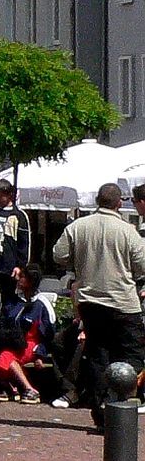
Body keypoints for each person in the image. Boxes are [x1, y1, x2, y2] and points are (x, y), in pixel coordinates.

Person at [52, 181, 145, 431]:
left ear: (97, 201)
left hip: (91, 300)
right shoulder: (128, 231)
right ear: (119, 203)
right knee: (132, 354)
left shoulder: (77, 227)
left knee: (97, 355)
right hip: (123, 302)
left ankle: (101, 406)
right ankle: (123, 402)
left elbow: (58, 255)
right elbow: (142, 264)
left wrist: (79, 261)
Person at [0, 264, 54, 403]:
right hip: (11, 340)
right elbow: (4, 320)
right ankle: (9, 387)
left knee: (6, 356)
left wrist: (40, 354)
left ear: (31, 281)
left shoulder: (41, 304)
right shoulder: (14, 300)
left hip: (31, 344)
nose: (19, 279)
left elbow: (48, 333)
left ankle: (30, 390)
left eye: (23, 277)